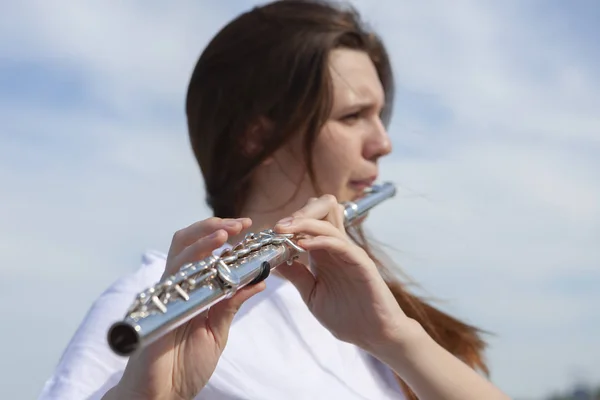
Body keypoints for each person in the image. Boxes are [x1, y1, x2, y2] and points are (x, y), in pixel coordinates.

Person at [39, 1, 511, 399]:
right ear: (255, 137)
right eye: (353, 116)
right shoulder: (149, 303)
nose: (383, 142)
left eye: (379, 114)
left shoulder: (366, 304)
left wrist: (395, 339)